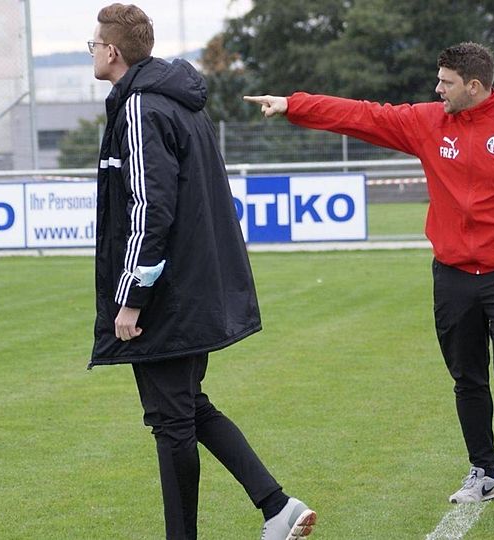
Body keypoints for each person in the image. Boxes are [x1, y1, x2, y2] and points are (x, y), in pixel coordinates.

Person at [245, 42, 494, 517]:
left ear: (475, 86)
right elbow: (364, 115)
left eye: (445, 82)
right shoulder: (427, 122)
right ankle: (483, 473)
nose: (436, 88)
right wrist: (293, 105)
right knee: (466, 377)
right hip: (453, 276)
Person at [87, 4, 315, 539]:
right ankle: (276, 506)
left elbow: (150, 207)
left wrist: (133, 296)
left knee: (172, 422)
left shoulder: (143, 107)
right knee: (186, 407)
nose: (92, 53)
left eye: (94, 45)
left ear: (113, 51)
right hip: (192, 285)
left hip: (169, 293)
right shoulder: (174, 102)